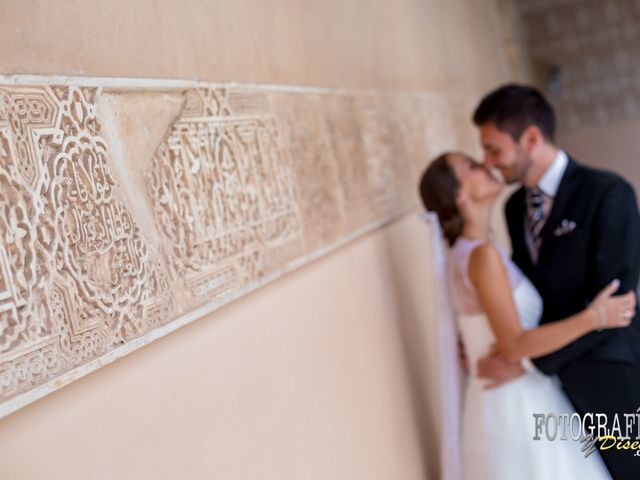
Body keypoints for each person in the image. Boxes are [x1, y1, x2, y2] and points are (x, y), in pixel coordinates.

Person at [419, 151, 634, 479]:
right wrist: (595, 317)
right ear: (460, 196)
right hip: (514, 404)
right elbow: (515, 345)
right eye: (473, 166)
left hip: (519, 394)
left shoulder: (477, 251)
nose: (487, 164)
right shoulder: (482, 256)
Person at [471, 84, 640, 479]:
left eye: (494, 149)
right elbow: (530, 293)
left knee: (628, 471)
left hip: (609, 376)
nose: (489, 162)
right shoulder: (515, 208)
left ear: (530, 139)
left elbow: (617, 305)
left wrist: (530, 361)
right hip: (553, 387)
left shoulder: (608, 193)